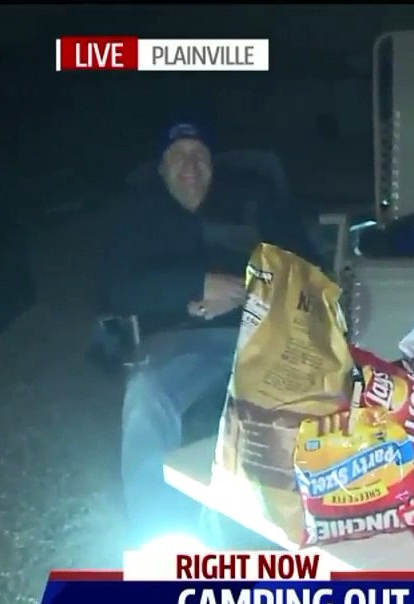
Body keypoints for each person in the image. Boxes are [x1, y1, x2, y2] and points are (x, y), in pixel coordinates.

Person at [106, 120, 315, 549]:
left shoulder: (255, 202)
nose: (190, 166)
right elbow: (115, 288)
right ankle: (157, 544)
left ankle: (281, 544)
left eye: (199, 155)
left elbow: (310, 271)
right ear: (160, 168)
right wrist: (193, 286)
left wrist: (240, 290)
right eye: (177, 156)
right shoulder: (139, 213)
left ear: (214, 165)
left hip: (265, 338)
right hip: (182, 345)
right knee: (145, 397)